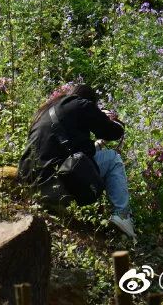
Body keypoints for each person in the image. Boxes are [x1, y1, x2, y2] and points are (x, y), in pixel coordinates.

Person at [19, 83, 136, 240]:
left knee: (89, 157)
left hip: (28, 184)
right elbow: (113, 132)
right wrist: (109, 119)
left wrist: (97, 145)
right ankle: (122, 215)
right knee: (113, 159)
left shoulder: (46, 111)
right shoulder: (82, 104)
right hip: (56, 186)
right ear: (91, 101)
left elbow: (69, 150)